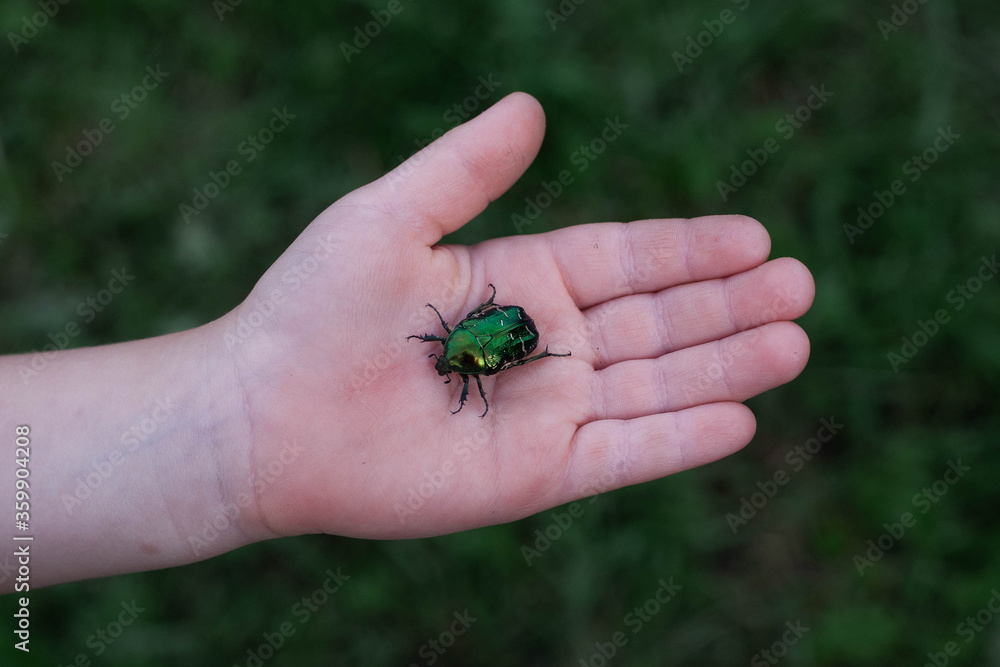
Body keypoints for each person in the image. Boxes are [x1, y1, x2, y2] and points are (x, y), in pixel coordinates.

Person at [0, 93, 814, 592]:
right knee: (511, 348)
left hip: (510, 326)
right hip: (509, 328)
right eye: (453, 363)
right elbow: (481, 346)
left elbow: (489, 343)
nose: (448, 364)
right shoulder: (462, 347)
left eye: (452, 363)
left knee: (512, 347)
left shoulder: (467, 345)